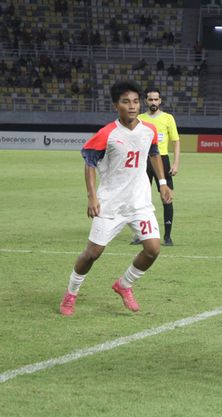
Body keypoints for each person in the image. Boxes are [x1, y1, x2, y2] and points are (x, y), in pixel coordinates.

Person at [58, 80, 173, 317]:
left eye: (134, 101)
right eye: (125, 102)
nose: (132, 106)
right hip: (110, 203)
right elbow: (89, 163)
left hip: (139, 202)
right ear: (116, 105)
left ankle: (124, 285)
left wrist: (162, 183)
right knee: (93, 253)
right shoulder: (107, 134)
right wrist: (92, 197)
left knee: (152, 250)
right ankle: (71, 293)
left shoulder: (148, 130)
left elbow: (154, 154)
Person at [132, 87, 180, 246]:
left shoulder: (168, 118)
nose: (153, 102)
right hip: (143, 161)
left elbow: (176, 141)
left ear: (160, 101)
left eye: (156, 99)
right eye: (150, 99)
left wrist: (175, 163)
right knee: (140, 198)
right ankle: (140, 235)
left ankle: (167, 237)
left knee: (166, 198)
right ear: (146, 101)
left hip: (163, 160)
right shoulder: (139, 118)